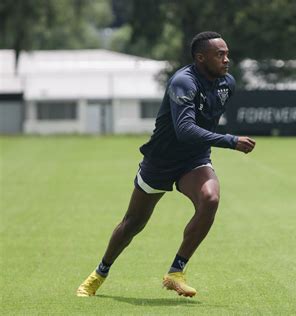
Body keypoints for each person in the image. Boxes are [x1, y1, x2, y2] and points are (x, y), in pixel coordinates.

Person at [76, 31, 256, 298]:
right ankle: (100, 272)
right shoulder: (183, 82)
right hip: (160, 160)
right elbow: (184, 130)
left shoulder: (226, 83)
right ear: (200, 58)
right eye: (220, 55)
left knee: (211, 198)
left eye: (227, 54)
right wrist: (230, 141)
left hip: (194, 159)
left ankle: (176, 272)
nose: (227, 60)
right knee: (133, 223)